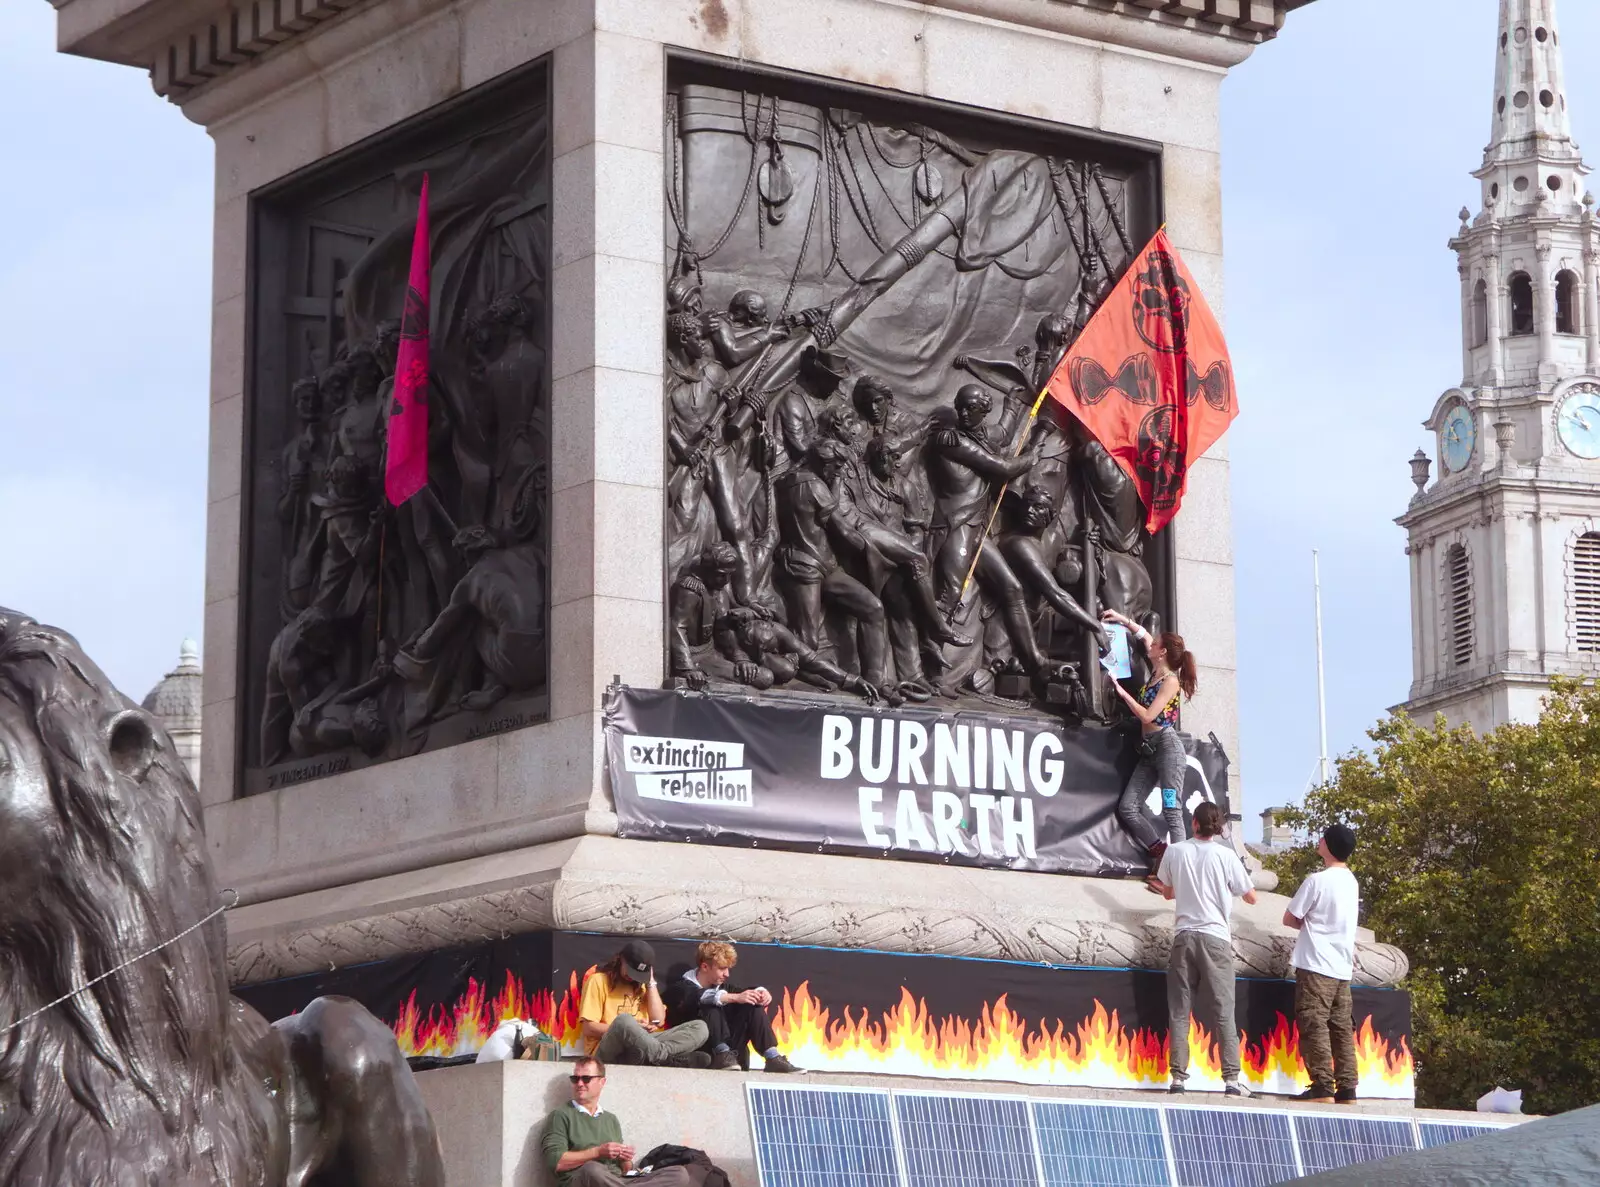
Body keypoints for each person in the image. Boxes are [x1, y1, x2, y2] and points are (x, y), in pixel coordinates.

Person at [1149, 801, 1258, 1097]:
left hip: (1184, 936)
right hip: (1216, 937)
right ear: (1219, 828)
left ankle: (1178, 1079)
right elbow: (1251, 897)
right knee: (1224, 1009)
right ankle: (1232, 1079)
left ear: (1194, 823)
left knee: (1180, 1010)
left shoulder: (1175, 851)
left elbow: (1167, 893)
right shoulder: (1226, 856)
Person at [1102, 610, 1197, 866]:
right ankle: (1161, 851)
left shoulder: (1170, 682)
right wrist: (1122, 620)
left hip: (1168, 752)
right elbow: (1143, 636)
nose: (1150, 645)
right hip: (1150, 752)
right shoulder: (1156, 668)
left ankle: (1179, 871)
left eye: (1156, 645)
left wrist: (1122, 693)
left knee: (1171, 809)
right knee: (1128, 808)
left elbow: (1148, 716)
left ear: (1163, 652)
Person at [1283, 824, 1361, 1105]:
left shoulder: (1317, 880)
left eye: (1323, 838)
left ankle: (1322, 1086)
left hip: (1316, 963)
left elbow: (1290, 917)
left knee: (1313, 1023)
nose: (1319, 841)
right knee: (1341, 1027)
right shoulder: (1352, 882)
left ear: (1329, 845)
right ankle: (1348, 1088)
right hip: (1342, 966)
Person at [540, 1056, 692, 1186]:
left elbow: (625, 1170)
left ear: (602, 1082)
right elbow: (556, 1162)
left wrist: (625, 1159)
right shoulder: (560, 1115)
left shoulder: (610, 1119)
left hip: (615, 1181)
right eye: (575, 1078)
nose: (579, 1083)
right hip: (583, 1180)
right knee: (592, 1169)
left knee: (679, 1173)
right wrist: (598, 1152)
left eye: (586, 1078)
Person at [661, 941, 800, 1073]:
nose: (727, 974)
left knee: (751, 1004)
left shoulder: (724, 987)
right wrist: (733, 997)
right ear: (704, 967)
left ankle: (772, 1057)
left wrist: (760, 992)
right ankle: (722, 1053)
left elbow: (743, 991)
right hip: (699, 1053)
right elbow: (698, 996)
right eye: (722, 968)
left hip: (733, 1054)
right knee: (710, 1004)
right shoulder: (680, 988)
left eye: (727, 969)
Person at [578, 940, 711, 1068]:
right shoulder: (598, 980)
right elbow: (588, 1028)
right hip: (608, 1050)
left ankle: (656, 1056)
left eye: (637, 974)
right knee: (624, 1021)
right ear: (621, 959)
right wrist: (630, 1030)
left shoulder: (643, 985)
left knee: (700, 1027)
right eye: (630, 971)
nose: (632, 977)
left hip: (642, 1048)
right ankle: (665, 1058)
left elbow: (658, 1020)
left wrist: (650, 982)